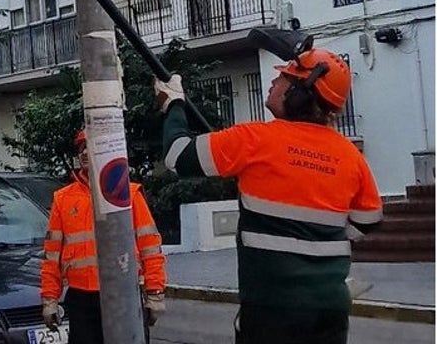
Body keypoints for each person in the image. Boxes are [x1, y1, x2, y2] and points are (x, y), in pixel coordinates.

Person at [154, 47, 383, 344]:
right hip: (330, 306)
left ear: (300, 94)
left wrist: (173, 104)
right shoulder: (350, 155)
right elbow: (368, 220)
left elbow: (176, 155)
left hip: (271, 310)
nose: (274, 83)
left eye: (284, 79)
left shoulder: (254, 140)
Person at [41, 129, 167, 344]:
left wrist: (154, 293)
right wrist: (50, 299)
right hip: (82, 298)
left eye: (89, 148)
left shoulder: (128, 193)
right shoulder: (63, 199)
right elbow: (52, 256)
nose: (84, 153)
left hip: (123, 294)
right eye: (81, 148)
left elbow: (150, 247)